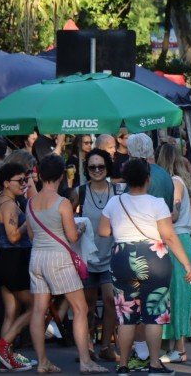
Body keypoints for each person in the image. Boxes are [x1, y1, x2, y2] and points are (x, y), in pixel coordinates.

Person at [98, 157, 191, 375]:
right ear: (148, 179)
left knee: (126, 315)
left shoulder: (115, 202)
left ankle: (122, 364)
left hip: (122, 256)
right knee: (155, 312)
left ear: (126, 180)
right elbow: (168, 236)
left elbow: (103, 231)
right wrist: (187, 263)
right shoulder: (157, 203)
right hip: (154, 256)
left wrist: (122, 232)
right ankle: (154, 363)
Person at [27, 154, 108, 374]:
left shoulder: (30, 203)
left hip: (36, 258)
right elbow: (72, 237)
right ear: (61, 176)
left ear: (41, 175)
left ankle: (42, 361)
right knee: (80, 308)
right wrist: (81, 228)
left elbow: (32, 235)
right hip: (59, 259)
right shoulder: (62, 203)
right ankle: (85, 361)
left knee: (38, 311)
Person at [70, 148, 121, 363]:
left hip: (112, 255)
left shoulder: (118, 191)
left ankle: (106, 346)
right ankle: (87, 345)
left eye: (101, 166)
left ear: (108, 167)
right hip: (88, 257)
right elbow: (67, 220)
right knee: (88, 304)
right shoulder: (79, 192)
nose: (97, 170)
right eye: (92, 167)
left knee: (110, 301)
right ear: (87, 169)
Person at [0, 162, 34, 371]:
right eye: (20, 180)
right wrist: (29, 221)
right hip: (13, 260)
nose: (24, 184)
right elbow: (14, 236)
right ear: (7, 183)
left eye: (26, 179)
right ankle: (3, 345)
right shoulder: (8, 205)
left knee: (11, 310)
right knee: (35, 307)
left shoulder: (1, 200)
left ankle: (5, 359)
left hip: (4, 260)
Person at [156, 144, 191, 364]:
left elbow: (174, 213)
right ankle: (172, 346)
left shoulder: (173, 182)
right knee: (171, 294)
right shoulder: (176, 181)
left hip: (176, 240)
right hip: (177, 240)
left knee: (177, 295)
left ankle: (179, 349)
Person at [128, 133, 174, 210]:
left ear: (130, 153)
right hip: (164, 219)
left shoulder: (138, 175)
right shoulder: (164, 173)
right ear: (152, 150)